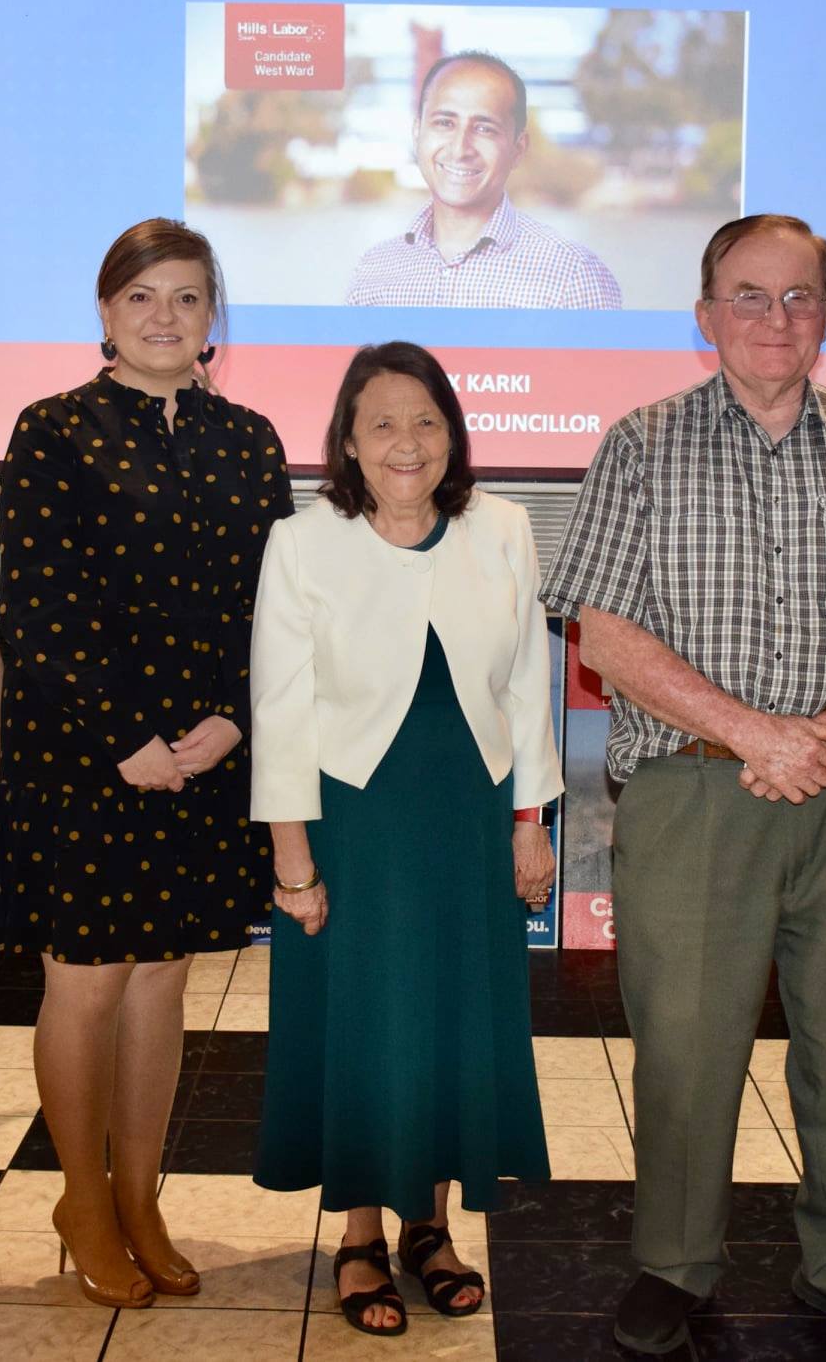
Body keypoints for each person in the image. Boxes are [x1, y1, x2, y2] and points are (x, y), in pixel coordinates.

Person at [541, 214, 826, 1359]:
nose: (777, 318)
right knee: (684, 1043)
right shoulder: (642, 443)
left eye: (799, 295)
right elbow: (602, 631)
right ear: (705, 314)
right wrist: (751, 734)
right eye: (749, 296)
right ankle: (674, 1263)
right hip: (694, 790)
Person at [0, 218, 291, 1309]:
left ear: (213, 316)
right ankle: (80, 1197)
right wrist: (125, 740)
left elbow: (276, 606)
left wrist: (234, 720)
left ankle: (139, 1195)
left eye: (188, 297)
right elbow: (39, 606)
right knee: (88, 978)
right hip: (86, 756)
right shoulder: (53, 428)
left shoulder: (248, 439)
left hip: (206, 754)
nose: (166, 316)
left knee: (163, 978)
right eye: (142, 296)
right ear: (106, 311)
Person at [250, 340, 562, 1337]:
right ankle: (358, 1236)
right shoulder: (302, 541)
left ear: (453, 436)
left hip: (469, 815)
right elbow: (280, 708)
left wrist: (529, 824)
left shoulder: (500, 528)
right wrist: (292, 864)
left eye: (426, 420)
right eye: (381, 421)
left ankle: (430, 1228)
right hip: (356, 823)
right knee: (365, 1023)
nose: (406, 440)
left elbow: (528, 684)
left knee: (451, 1019)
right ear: (347, 439)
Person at [345, 51, 622, 309]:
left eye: (484, 129)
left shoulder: (575, 277)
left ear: (517, 149)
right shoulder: (373, 271)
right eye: (444, 123)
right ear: (417, 132)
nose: (460, 149)